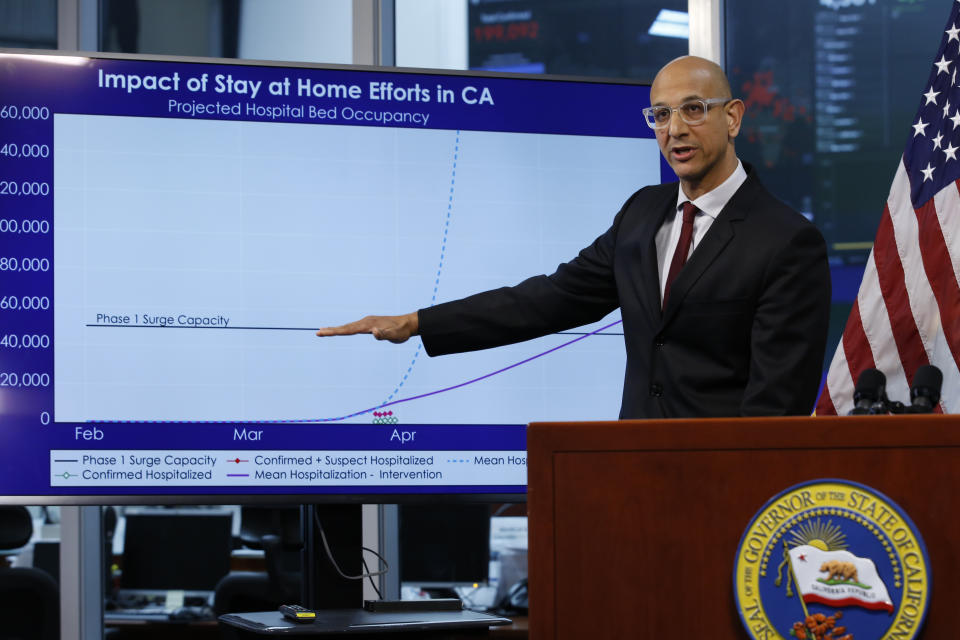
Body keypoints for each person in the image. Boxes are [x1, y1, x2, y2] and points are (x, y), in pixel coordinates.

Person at [316, 56, 831, 418]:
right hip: (632, 479)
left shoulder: (787, 243)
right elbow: (548, 300)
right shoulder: (642, 214)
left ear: (733, 116)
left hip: (728, 499)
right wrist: (420, 322)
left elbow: (775, 409)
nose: (674, 129)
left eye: (693, 109)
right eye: (661, 114)